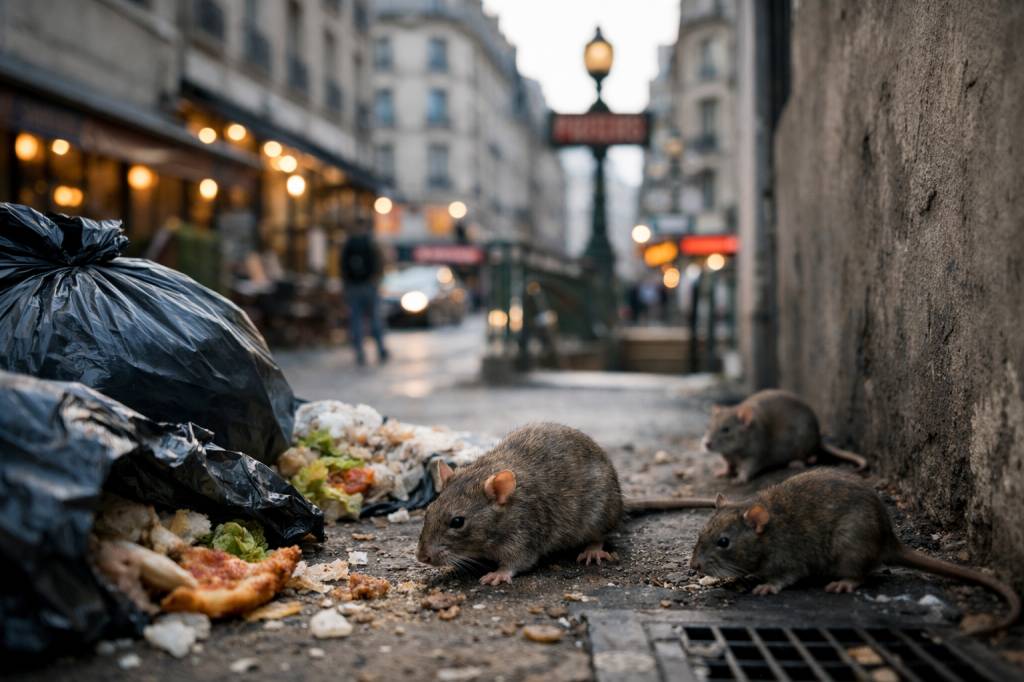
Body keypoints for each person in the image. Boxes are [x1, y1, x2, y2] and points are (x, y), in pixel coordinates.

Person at [340, 224, 389, 365]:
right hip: (369, 286)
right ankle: (380, 349)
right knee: (375, 318)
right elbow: (380, 262)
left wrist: (347, 284)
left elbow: (342, 266)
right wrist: (376, 279)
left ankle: (359, 351)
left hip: (354, 287)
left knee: (356, 320)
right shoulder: (370, 243)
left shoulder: (348, 244)